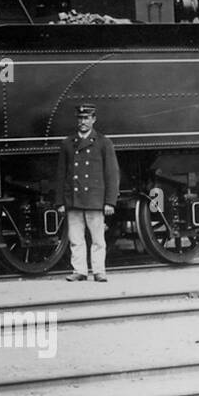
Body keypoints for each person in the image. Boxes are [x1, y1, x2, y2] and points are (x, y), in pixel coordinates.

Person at [55, 103, 119, 283]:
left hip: (94, 199)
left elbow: (112, 174)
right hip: (73, 199)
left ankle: (99, 271)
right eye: (80, 118)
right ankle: (80, 271)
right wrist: (59, 201)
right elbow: (61, 175)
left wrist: (110, 202)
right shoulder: (68, 143)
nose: (83, 122)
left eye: (86, 118)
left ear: (93, 120)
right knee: (75, 239)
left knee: (98, 239)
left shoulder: (104, 143)